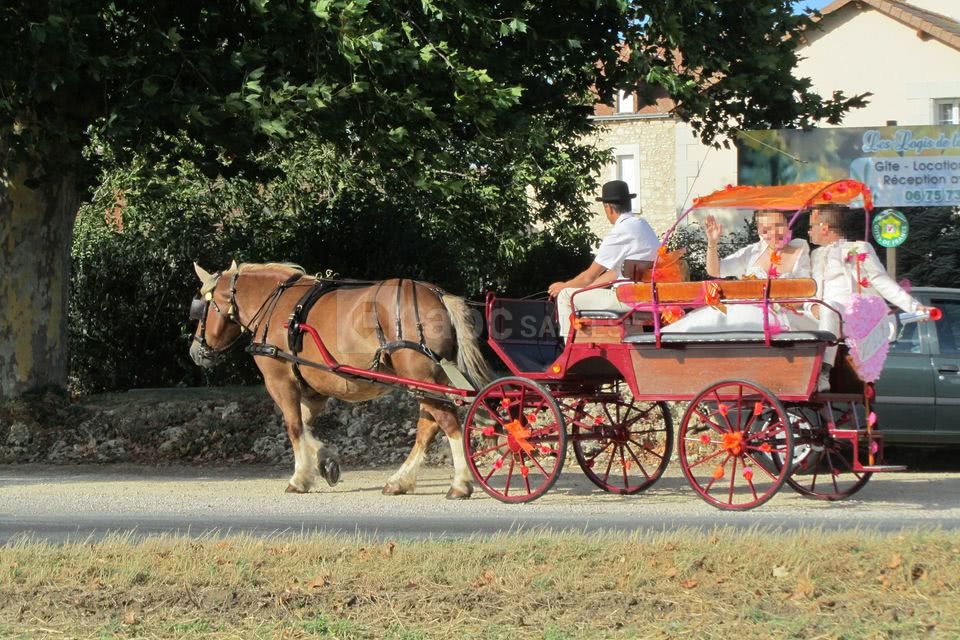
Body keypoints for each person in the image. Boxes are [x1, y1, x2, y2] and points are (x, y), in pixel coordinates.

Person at [806, 205, 932, 390]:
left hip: (851, 317)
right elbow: (811, 292)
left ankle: (823, 370)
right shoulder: (815, 255)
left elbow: (882, 282)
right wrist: (811, 308)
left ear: (824, 227)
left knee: (829, 307)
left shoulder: (858, 249)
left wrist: (914, 307)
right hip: (821, 317)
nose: (809, 231)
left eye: (812, 226)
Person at [663, 209, 811, 333]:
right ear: (760, 231)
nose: (774, 233)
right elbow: (715, 271)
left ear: (787, 224)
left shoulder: (799, 253)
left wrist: (777, 303)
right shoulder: (752, 252)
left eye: (779, 225)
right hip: (743, 309)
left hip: (778, 316)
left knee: (744, 321)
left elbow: (805, 293)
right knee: (710, 319)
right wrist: (712, 243)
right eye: (767, 229)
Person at [548, 180, 659, 340]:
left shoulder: (619, 232)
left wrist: (564, 286)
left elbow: (589, 276)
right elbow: (615, 273)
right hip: (645, 296)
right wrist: (587, 289)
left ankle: (568, 350)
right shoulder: (642, 225)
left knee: (566, 295)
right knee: (579, 292)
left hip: (626, 299)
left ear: (608, 207)